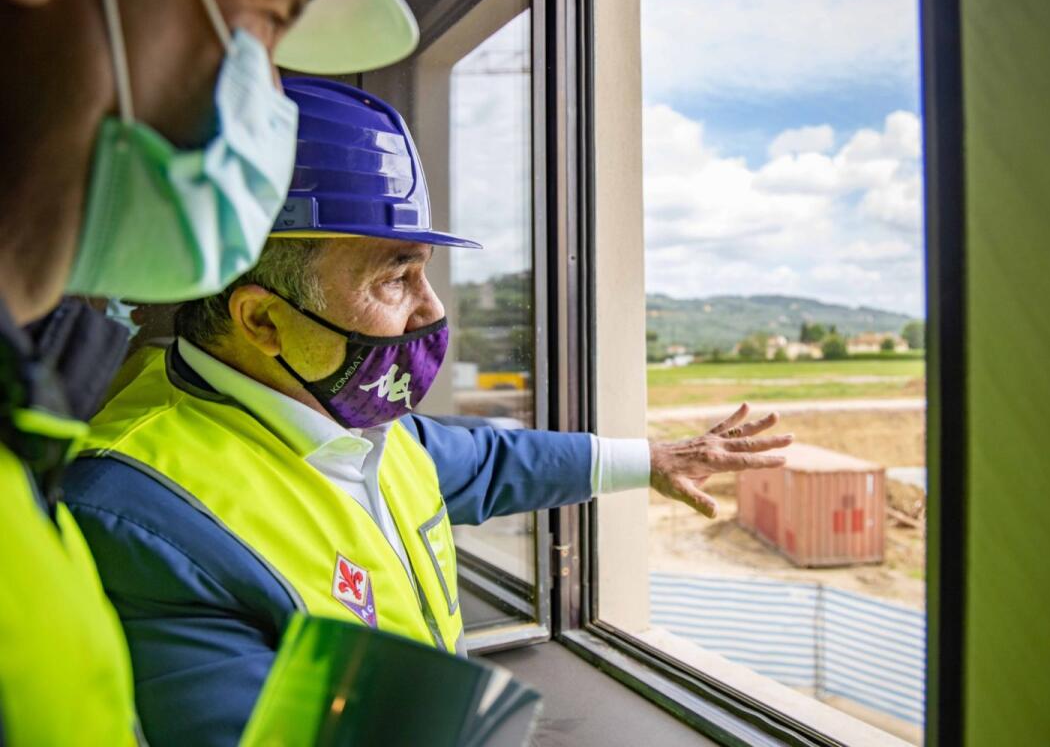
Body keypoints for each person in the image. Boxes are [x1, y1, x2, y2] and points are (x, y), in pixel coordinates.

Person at [64, 77, 792, 745]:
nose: (433, 309)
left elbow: (489, 462)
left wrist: (658, 460)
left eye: (427, 271)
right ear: (261, 322)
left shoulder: (353, 426)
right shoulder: (136, 519)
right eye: (396, 275)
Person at [0, 0, 421, 742]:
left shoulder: (30, 432)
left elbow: (490, 462)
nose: (270, 101)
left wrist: (650, 457)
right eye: (267, 22)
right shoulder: (124, 499)